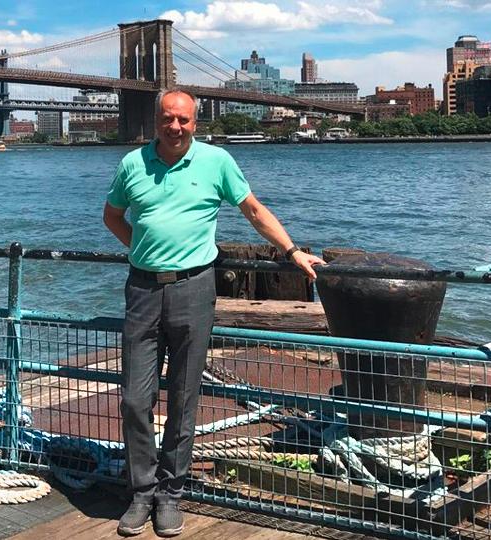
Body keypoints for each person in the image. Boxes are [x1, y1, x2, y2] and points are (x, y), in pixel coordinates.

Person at [102, 88, 325, 537]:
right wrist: (144, 250)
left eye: (183, 119)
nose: (175, 127)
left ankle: (170, 494)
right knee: (134, 399)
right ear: (156, 120)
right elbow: (112, 216)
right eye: (168, 118)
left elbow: (253, 210)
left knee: (184, 397)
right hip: (143, 288)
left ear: (195, 122)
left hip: (194, 287)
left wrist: (292, 251)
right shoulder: (132, 164)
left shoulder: (217, 161)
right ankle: (141, 491)